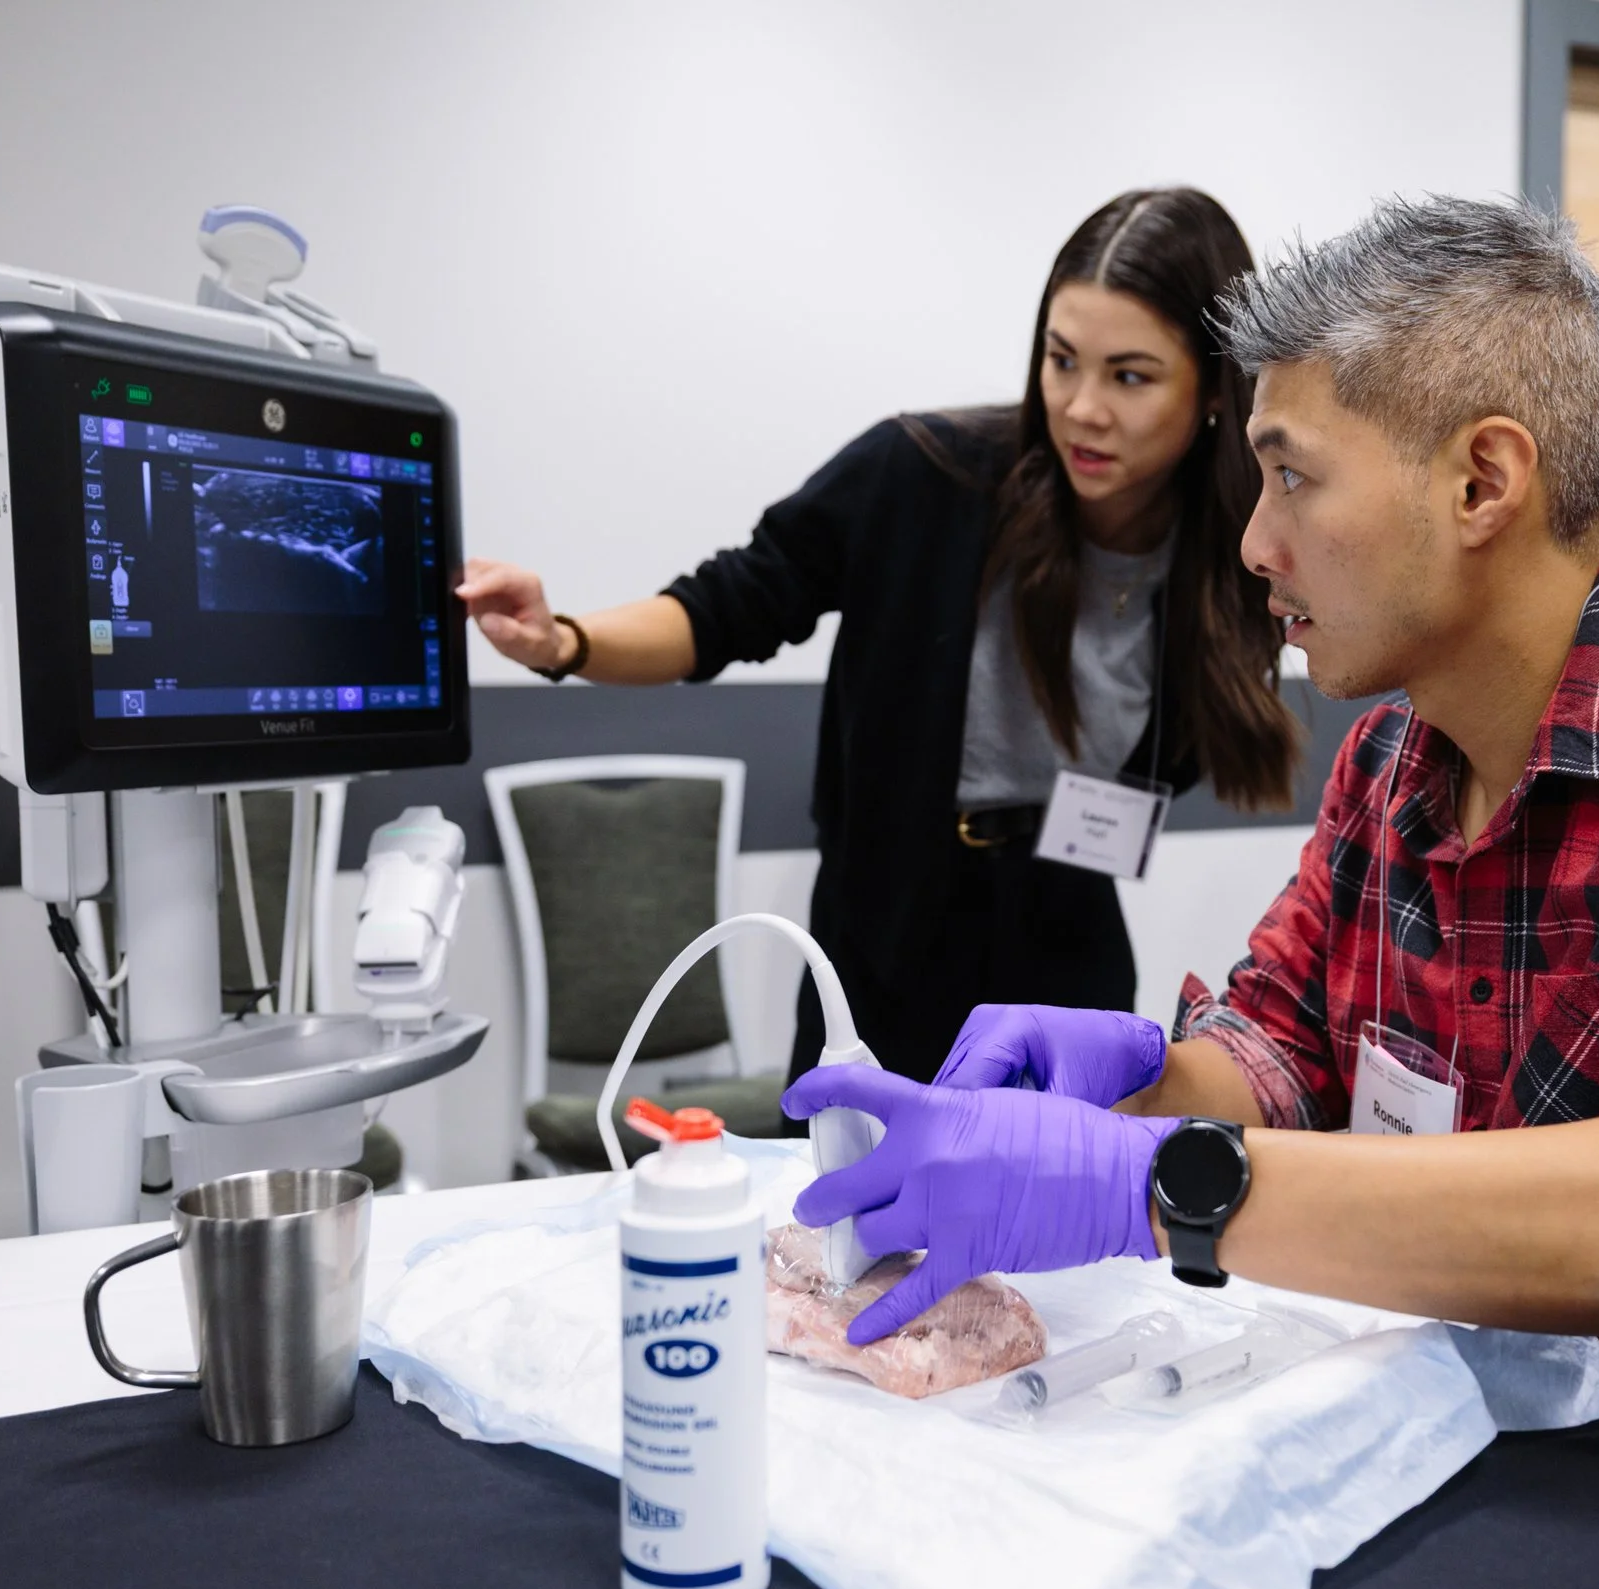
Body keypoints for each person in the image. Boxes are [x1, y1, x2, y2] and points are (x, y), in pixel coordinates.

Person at [784, 196, 1599, 1558]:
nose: (1253, 543)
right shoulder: (1393, 764)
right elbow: (1279, 1051)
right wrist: (1124, 1092)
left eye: (1293, 476)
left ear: (1480, 482)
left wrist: (1154, 1180)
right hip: (1444, 1489)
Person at [458, 188, 1299, 1080]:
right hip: (885, 950)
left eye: (1130, 376)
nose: (1082, 407)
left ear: (1214, 388)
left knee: (1059, 1169)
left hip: (1066, 951)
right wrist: (563, 641)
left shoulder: (1242, 549)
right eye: (1061, 361)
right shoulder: (922, 476)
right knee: (850, 1172)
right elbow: (727, 607)